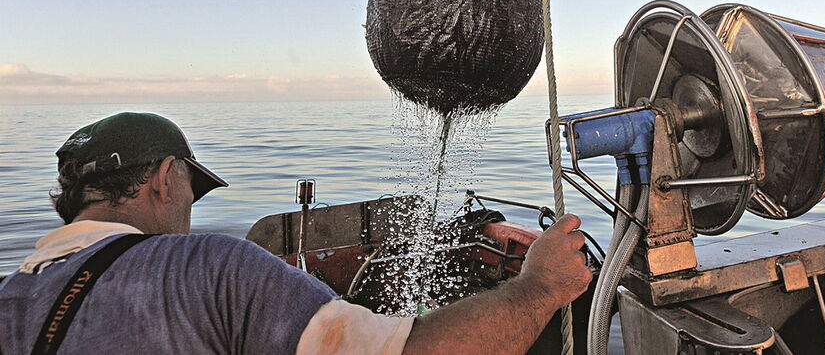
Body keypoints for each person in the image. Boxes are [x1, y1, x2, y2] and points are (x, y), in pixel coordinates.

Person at [0, 112, 591, 354]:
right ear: (162, 179)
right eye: (190, 191)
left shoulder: (12, 300)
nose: (189, 213)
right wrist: (538, 288)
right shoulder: (209, 269)